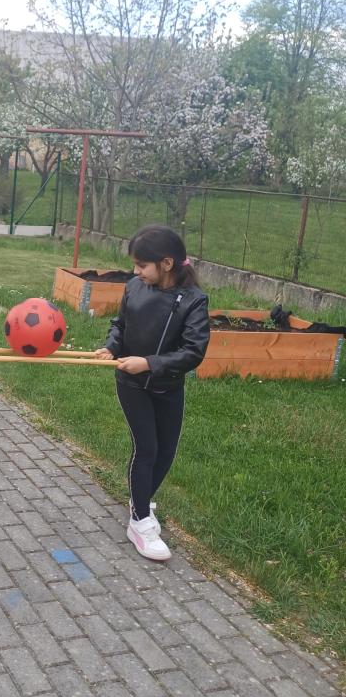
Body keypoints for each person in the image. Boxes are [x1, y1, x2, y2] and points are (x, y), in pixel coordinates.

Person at [92, 225, 210, 562]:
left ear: (167, 263)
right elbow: (120, 325)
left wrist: (149, 363)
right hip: (131, 385)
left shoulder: (194, 300)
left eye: (142, 265)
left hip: (168, 385)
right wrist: (111, 347)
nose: (135, 272)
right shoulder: (134, 287)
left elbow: (193, 351)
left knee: (166, 452)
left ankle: (140, 499)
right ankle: (140, 521)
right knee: (146, 449)